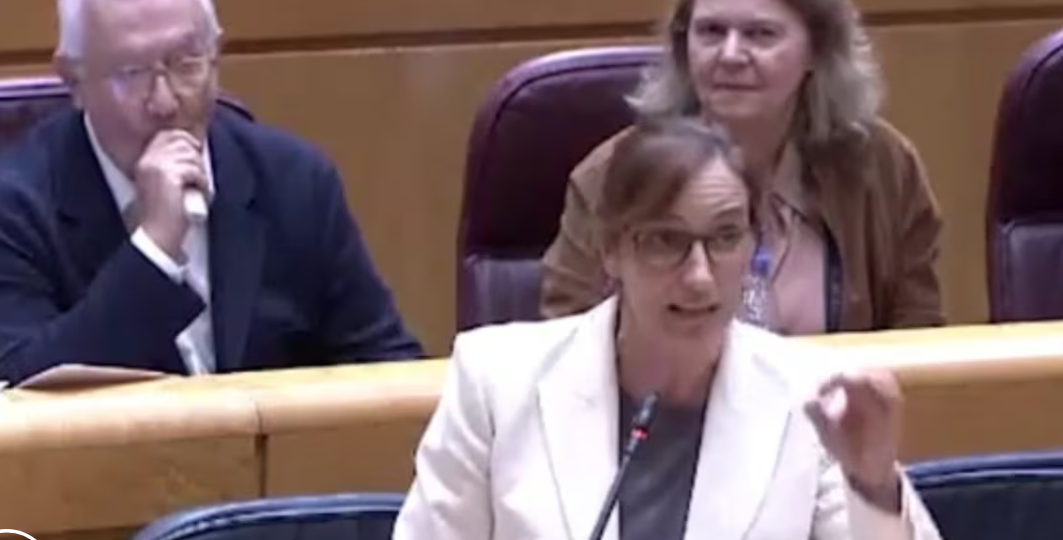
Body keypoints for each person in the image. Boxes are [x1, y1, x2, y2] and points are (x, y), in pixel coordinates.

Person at [393, 120, 942, 540]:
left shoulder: (809, 397)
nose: (699, 276)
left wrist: (872, 486)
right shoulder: (496, 384)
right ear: (611, 249)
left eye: (725, 238)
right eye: (664, 241)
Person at [0, 0, 423, 384]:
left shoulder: (294, 180)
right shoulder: (15, 206)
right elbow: (20, 393)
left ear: (215, 54)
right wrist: (154, 252)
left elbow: (389, 368)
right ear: (73, 79)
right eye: (131, 74)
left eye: (186, 64)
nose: (165, 103)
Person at [540, 0, 944, 335]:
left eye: (761, 34)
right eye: (711, 32)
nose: (731, 55)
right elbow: (567, 345)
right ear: (684, 46)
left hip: (833, 408)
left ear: (816, 51)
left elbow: (918, 343)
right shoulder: (611, 174)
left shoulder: (881, 167)